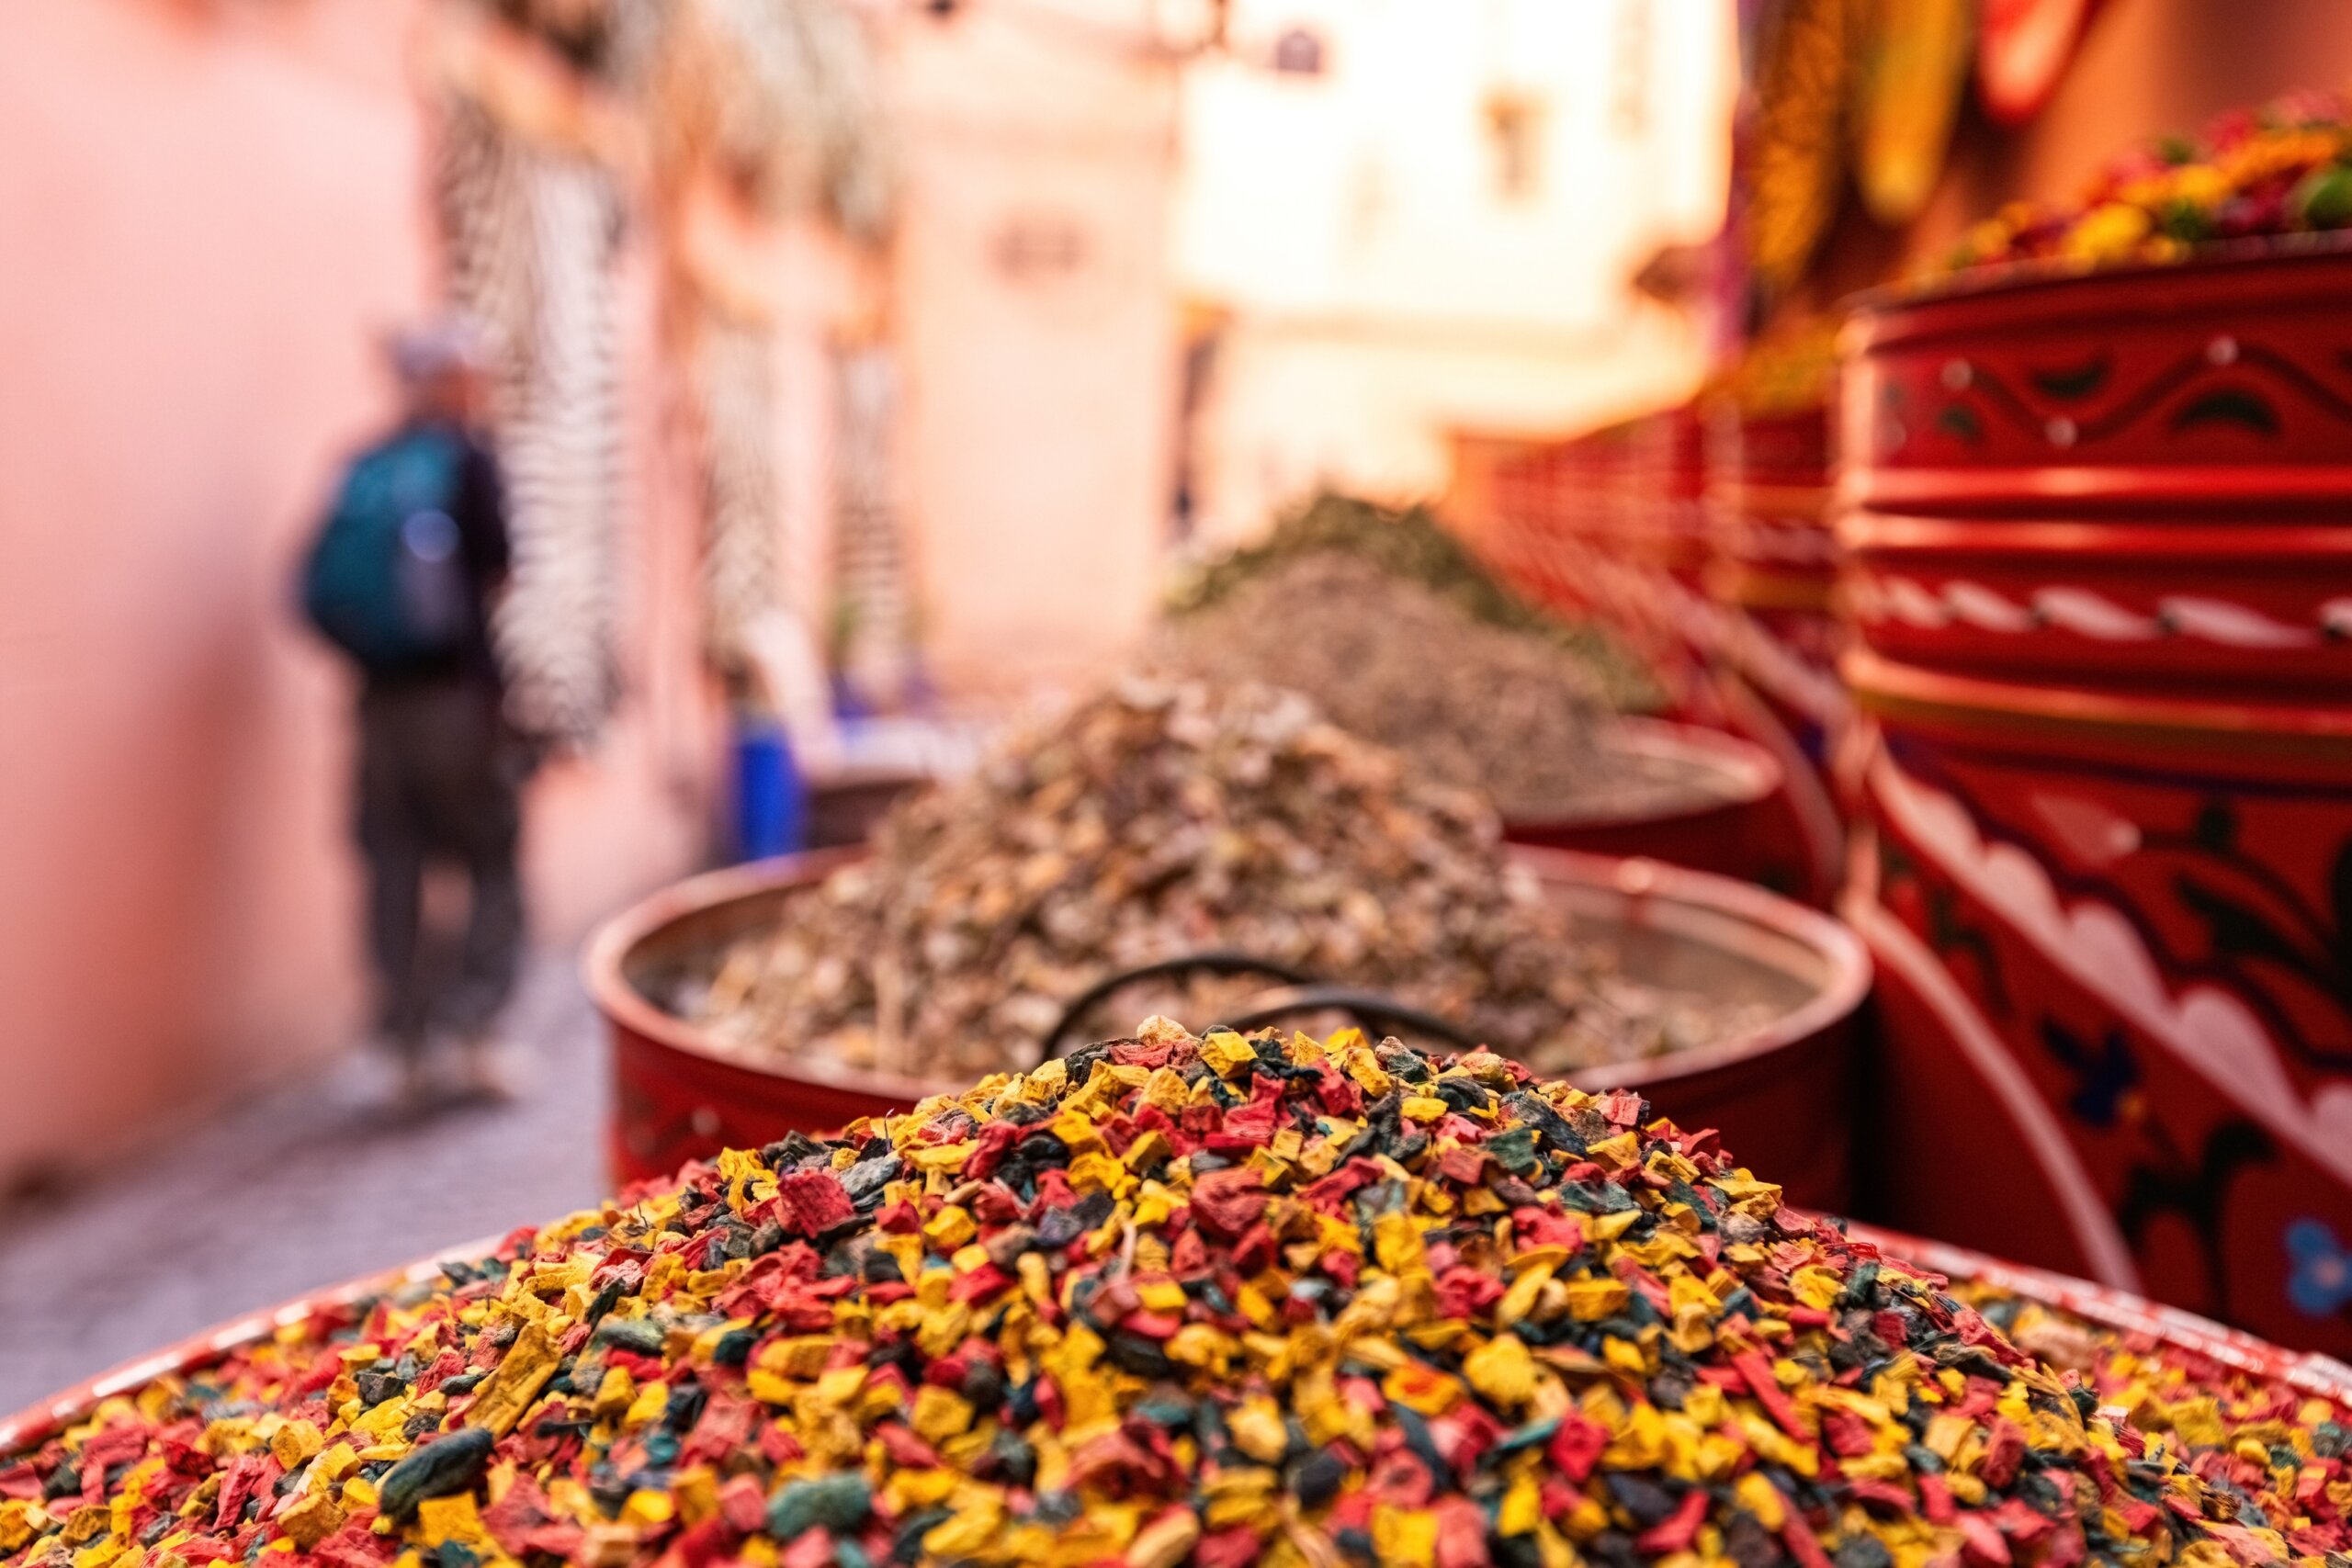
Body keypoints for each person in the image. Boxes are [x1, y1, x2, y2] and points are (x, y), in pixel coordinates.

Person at [302, 319, 527, 1107]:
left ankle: (403, 1042)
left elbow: (307, 595)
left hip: (378, 708)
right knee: (490, 857)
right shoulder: (468, 460)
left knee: (394, 866)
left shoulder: (362, 466)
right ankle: (474, 1029)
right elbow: (502, 565)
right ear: (459, 380)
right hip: (455, 703)